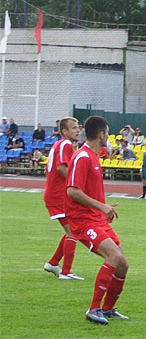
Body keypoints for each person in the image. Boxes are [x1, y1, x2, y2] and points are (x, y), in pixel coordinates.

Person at [65, 116, 129, 324]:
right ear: (101, 134)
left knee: (122, 264)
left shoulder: (93, 156)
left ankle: (108, 309)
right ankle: (94, 309)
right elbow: (73, 191)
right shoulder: (82, 157)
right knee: (113, 256)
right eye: (108, 132)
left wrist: (104, 208)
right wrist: (101, 206)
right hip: (83, 221)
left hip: (97, 219)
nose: (109, 136)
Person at [43, 117, 84, 281]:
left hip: (57, 194)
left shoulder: (61, 145)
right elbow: (61, 167)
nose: (78, 130)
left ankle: (53, 263)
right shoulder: (65, 144)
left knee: (72, 229)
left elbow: (50, 169)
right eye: (74, 128)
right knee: (73, 231)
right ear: (65, 131)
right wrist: (76, 184)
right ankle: (66, 271)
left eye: (78, 127)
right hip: (58, 196)